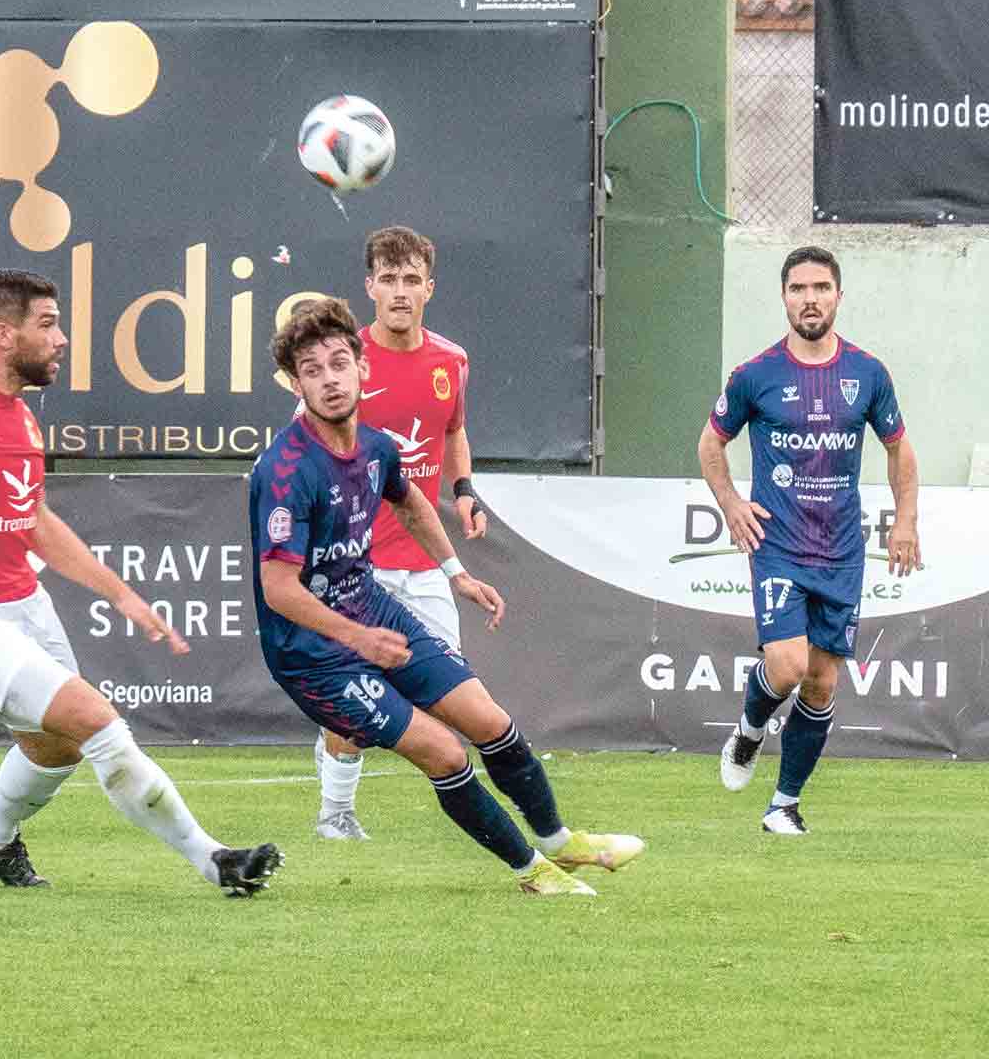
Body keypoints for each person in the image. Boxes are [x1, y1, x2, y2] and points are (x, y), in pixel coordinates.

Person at [0, 268, 283, 895]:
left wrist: (120, 593)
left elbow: (33, 521)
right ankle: (215, 859)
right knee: (95, 720)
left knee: (57, 748)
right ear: (3, 333)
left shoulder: (21, 420)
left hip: (23, 604)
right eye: (48, 324)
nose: (63, 338)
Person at [249, 297, 642, 895]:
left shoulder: (377, 447)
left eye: (337, 363)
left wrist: (456, 572)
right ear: (297, 384)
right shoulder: (284, 471)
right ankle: (530, 872)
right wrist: (358, 639)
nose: (329, 379)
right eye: (311, 369)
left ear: (361, 368)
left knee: (490, 721)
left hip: (367, 606)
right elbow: (278, 590)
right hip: (311, 651)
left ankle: (562, 845)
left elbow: (407, 500)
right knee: (443, 751)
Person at [699, 245, 919, 834]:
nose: (811, 298)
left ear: (838, 296)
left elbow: (898, 447)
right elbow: (710, 443)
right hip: (778, 543)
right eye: (799, 289)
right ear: (784, 298)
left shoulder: (868, 373)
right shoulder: (755, 375)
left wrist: (905, 520)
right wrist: (731, 504)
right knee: (789, 663)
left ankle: (783, 804)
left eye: (821, 287)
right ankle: (748, 732)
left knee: (822, 681)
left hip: (842, 549)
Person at [311, 226, 486, 841]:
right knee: (352, 701)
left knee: (457, 696)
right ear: (370, 288)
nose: (400, 291)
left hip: (427, 561)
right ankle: (335, 812)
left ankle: (471, 805)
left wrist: (464, 490)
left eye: (412, 279)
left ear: (429, 289)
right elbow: (304, 447)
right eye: (388, 280)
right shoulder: (345, 363)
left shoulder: (451, 360)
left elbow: (454, 430)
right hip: (357, 565)